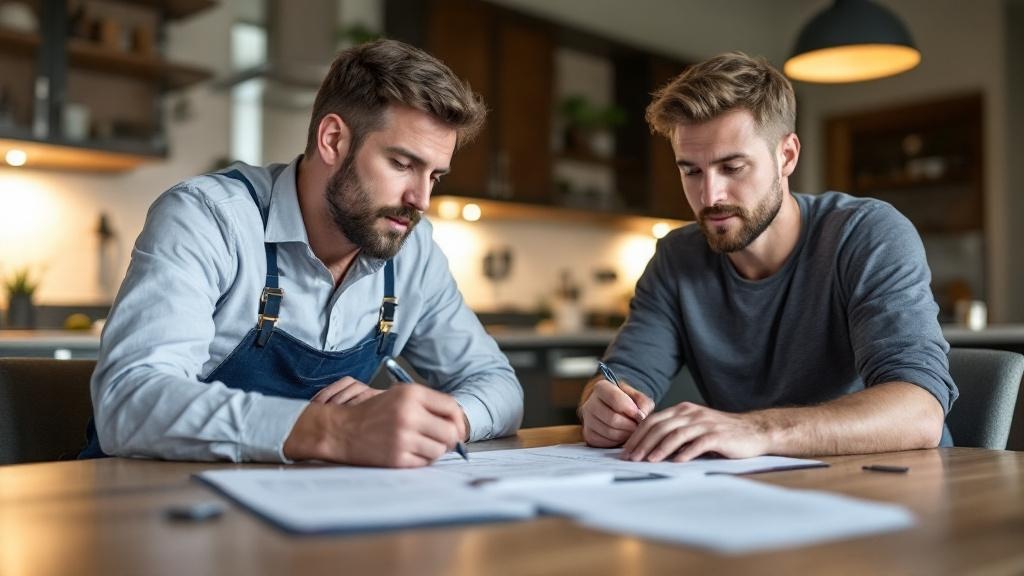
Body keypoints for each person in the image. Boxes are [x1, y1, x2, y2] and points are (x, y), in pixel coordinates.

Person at [83, 39, 523, 467]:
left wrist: (438, 422)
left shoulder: (414, 253)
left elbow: (500, 387)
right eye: (402, 164)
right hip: (149, 509)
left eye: (434, 177)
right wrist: (336, 431)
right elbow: (130, 400)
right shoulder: (208, 217)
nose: (421, 199)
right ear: (333, 139)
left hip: (295, 511)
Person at [577, 52, 957, 462]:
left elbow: (920, 411)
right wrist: (599, 405)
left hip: (893, 484)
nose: (710, 196)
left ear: (787, 156)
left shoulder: (867, 234)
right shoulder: (675, 258)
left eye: (733, 167)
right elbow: (620, 378)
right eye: (691, 171)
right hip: (757, 490)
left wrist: (756, 429)